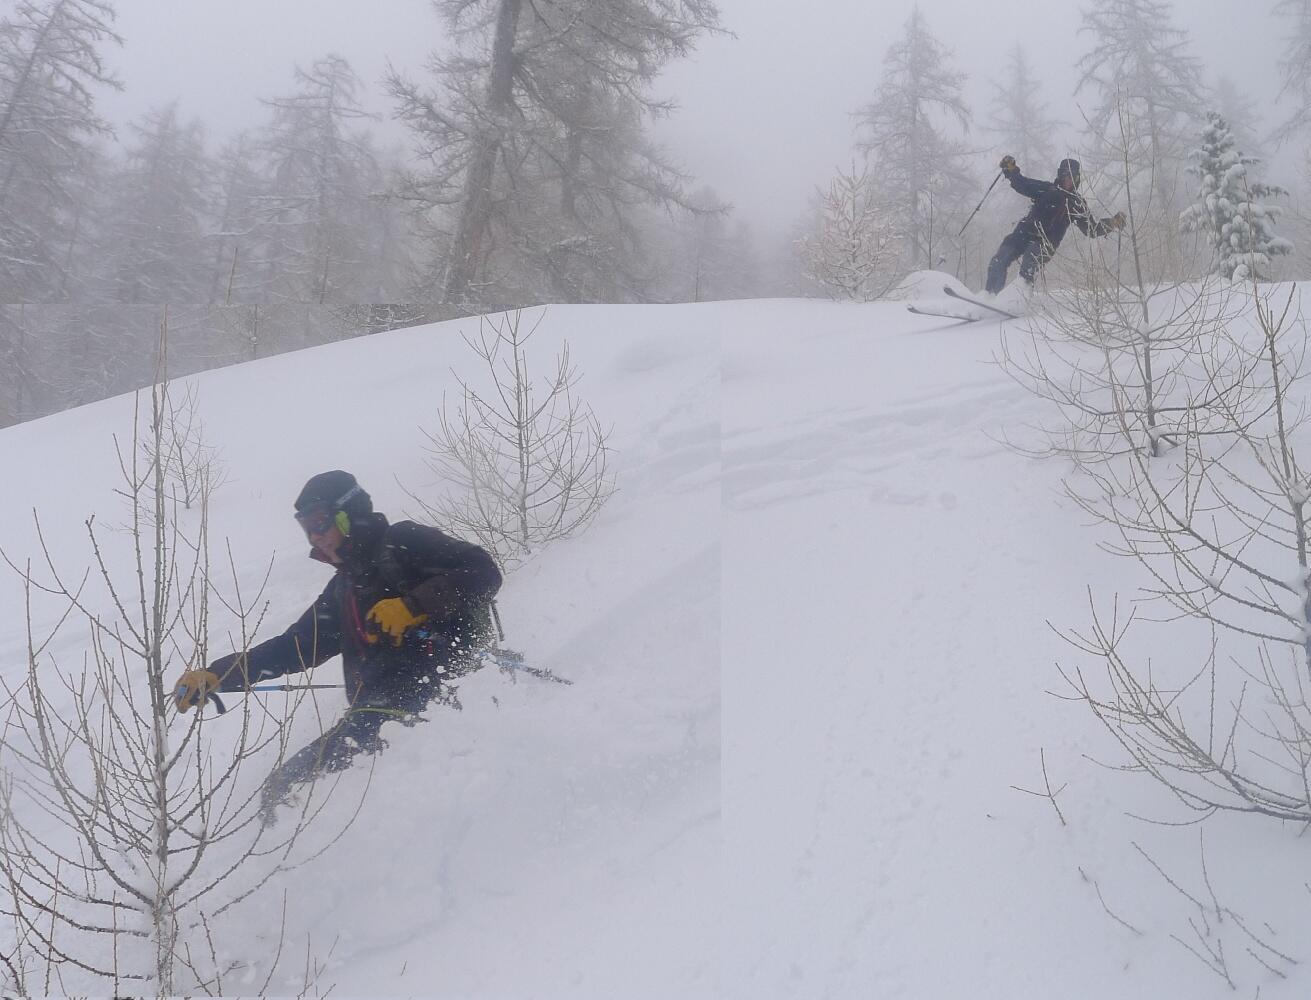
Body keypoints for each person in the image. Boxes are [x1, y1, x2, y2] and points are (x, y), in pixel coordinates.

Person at [172, 470, 503, 820]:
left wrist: (413, 606)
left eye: (319, 521)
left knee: (288, 789)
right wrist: (219, 675)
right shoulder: (344, 590)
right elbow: (296, 647)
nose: (315, 536)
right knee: (281, 791)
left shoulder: (403, 543)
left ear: (349, 515)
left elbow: (484, 571)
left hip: (445, 698)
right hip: (379, 713)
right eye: (306, 527)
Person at [985, 155, 1126, 295]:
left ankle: (1019, 298)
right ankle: (990, 296)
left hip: (1046, 243)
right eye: (1065, 176)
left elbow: (1091, 229)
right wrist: (1011, 169)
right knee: (999, 259)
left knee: (1030, 260)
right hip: (1024, 233)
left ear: (1077, 179)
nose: (1068, 180)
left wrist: (1112, 223)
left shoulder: (1076, 203)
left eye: (1072, 177)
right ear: (1060, 175)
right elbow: (1022, 184)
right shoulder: (1046, 189)